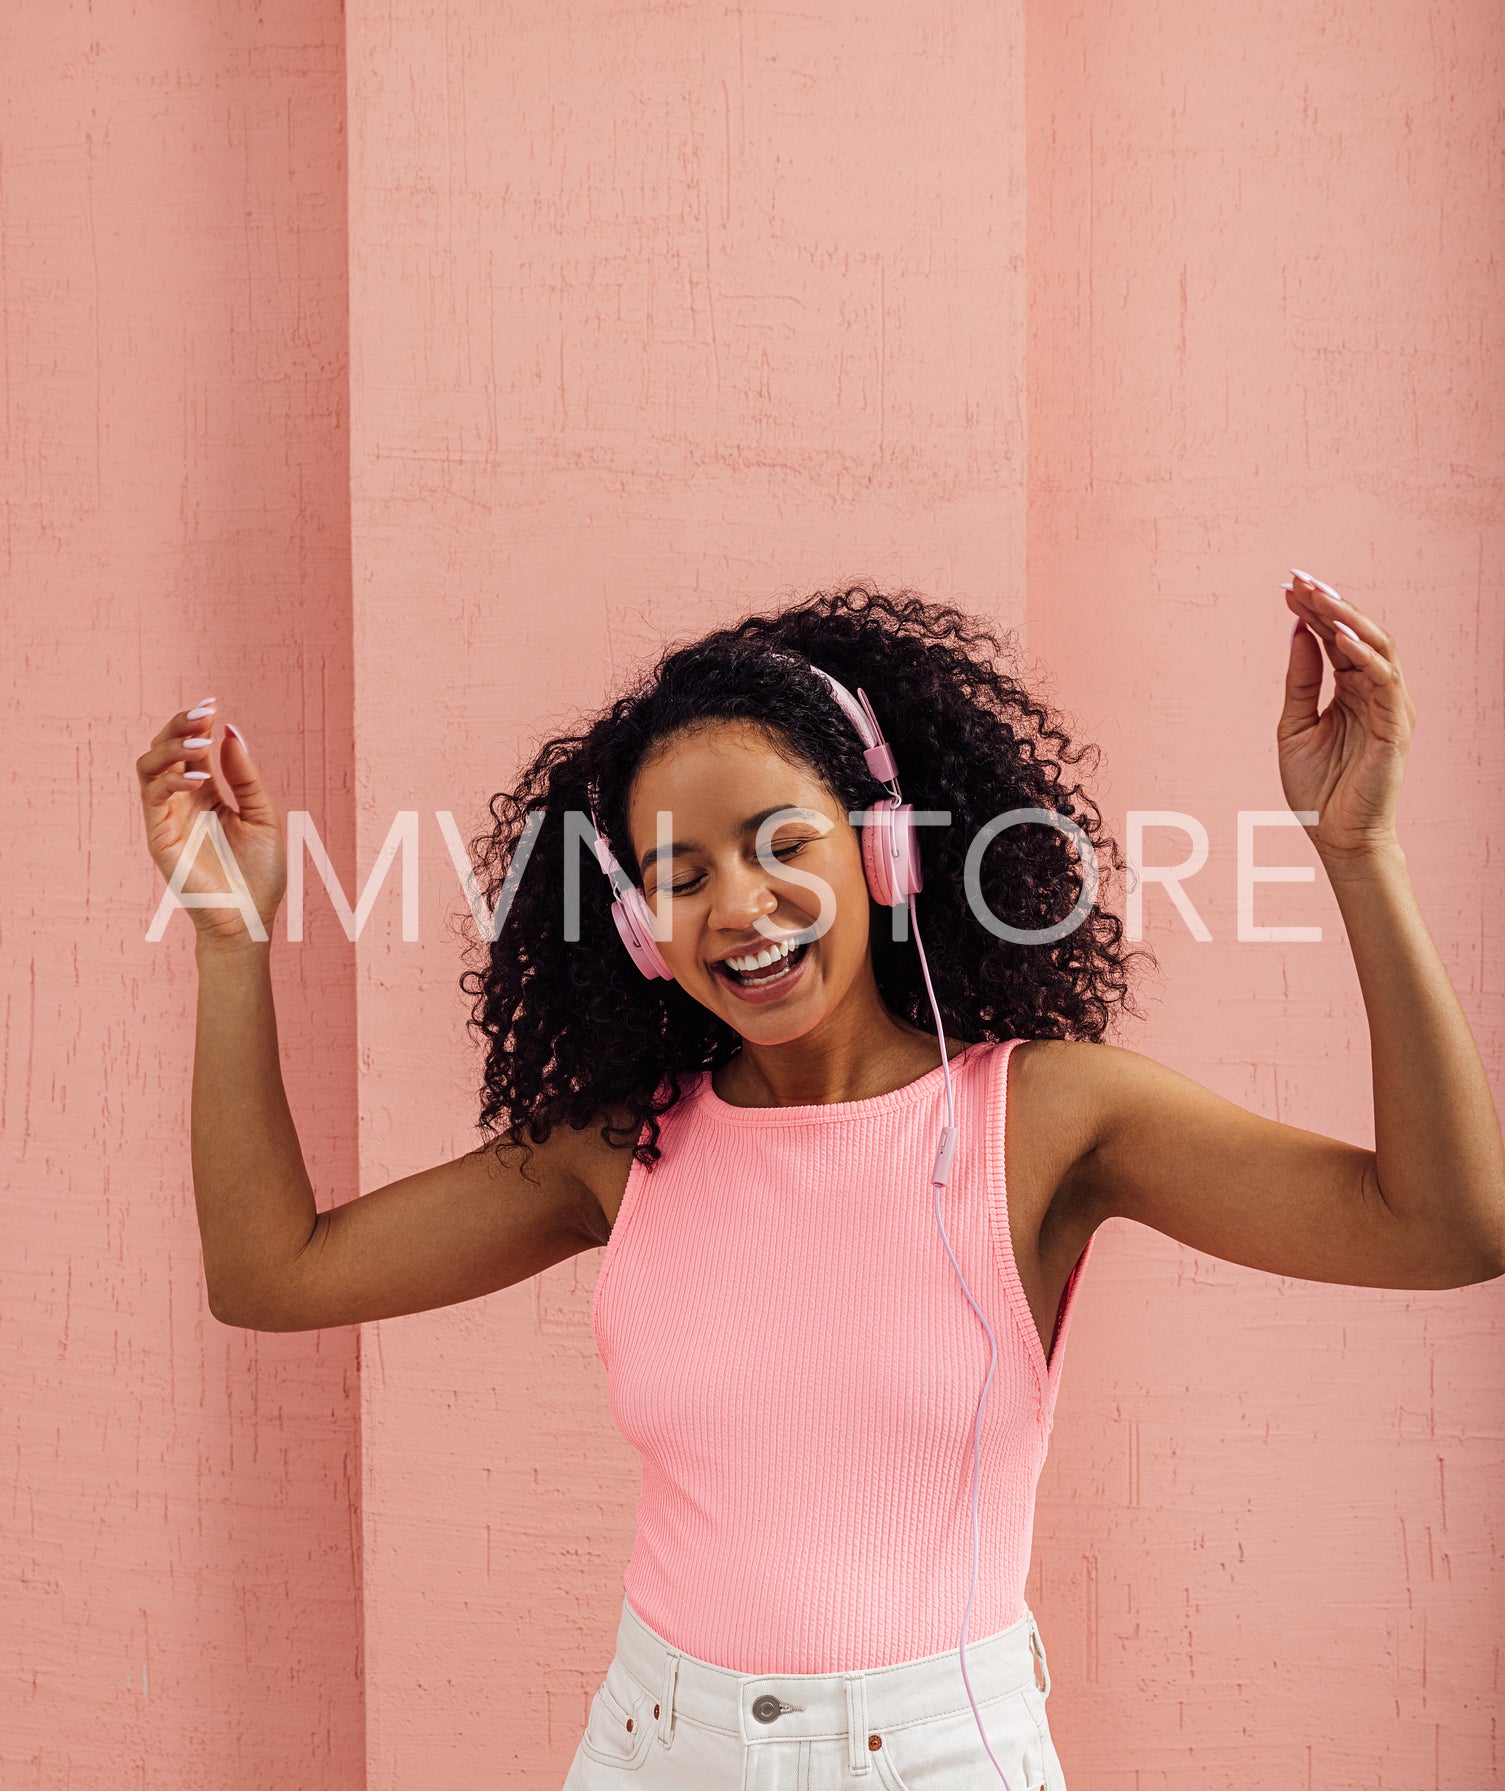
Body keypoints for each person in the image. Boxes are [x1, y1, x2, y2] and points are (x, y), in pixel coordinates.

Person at [135, 577, 1505, 1791]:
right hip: (652, 1747)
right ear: (636, 929)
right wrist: (229, 941)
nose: (736, 905)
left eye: (780, 843)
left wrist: (1356, 852)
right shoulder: (622, 1147)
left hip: (933, 1754)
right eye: (676, 876)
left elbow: (1445, 1229)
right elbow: (273, 1276)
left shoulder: (1048, 1116)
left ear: (884, 847)